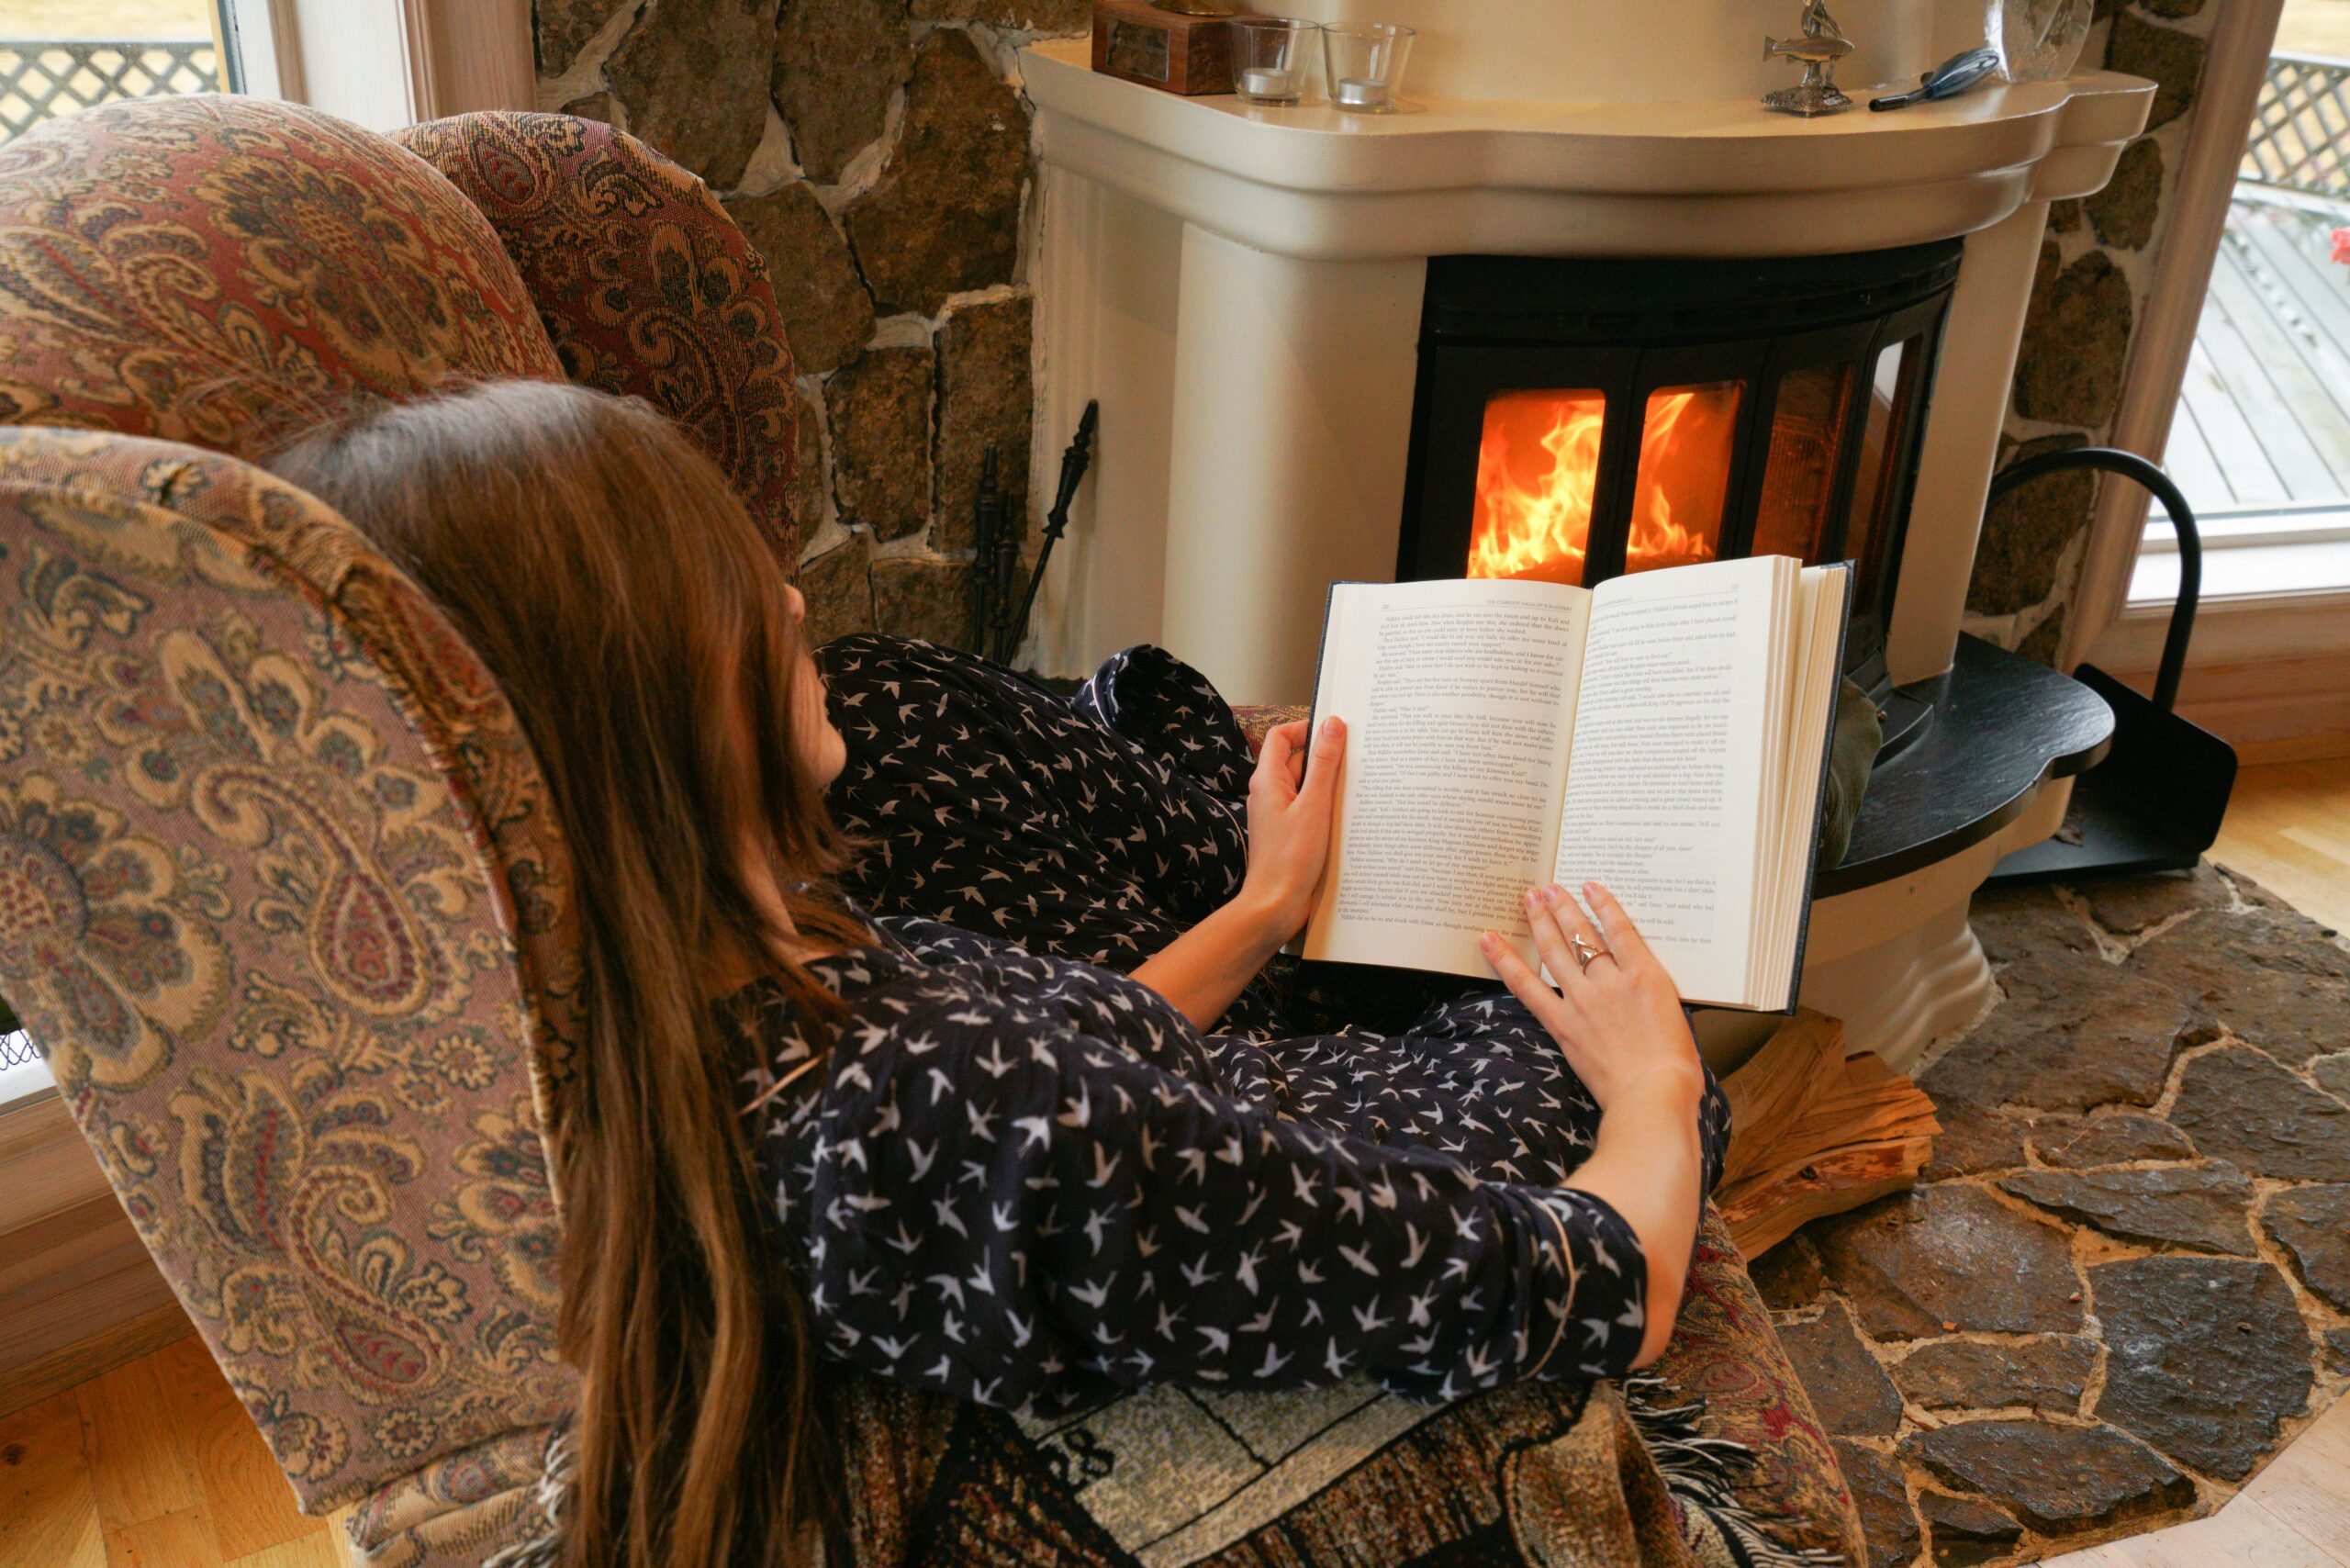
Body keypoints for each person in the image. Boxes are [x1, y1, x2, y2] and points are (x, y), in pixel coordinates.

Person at [264, 380, 1729, 1568]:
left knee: (944, 711)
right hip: (1331, 1174)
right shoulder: (951, 1104)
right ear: (628, 730)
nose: (785, 600)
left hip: (1177, 1124)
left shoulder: (697, 1007)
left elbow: (1093, 1039)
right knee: (1585, 1043)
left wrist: (1266, 904)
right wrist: (1657, 1081)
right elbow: (1597, 1285)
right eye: (722, 595)